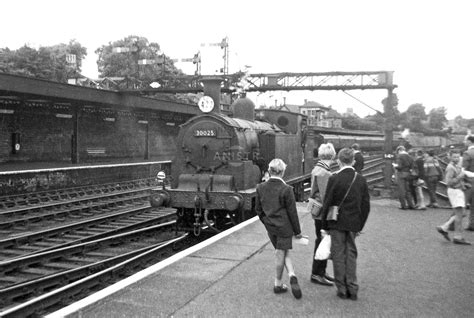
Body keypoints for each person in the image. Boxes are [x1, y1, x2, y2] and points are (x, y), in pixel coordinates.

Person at [321, 148, 370, 301]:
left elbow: (327, 202)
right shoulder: (361, 179)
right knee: (351, 254)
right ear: (354, 162)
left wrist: (324, 225)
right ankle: (353, 288)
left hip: (336, 223)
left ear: (338, 161)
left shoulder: (334, 178)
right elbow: (366, 206)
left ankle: (341, 288)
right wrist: (360, 225)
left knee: (338, 255)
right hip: (353, 224)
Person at [256, 158, 303, 299]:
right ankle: (278, 284)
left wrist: (266, 221)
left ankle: (291, 275)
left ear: (269, 171)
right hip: (285, 228)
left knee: (282, 251)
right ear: (282, 172)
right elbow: (292, 213)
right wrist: (298, 232)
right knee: (281, 253)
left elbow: (258, 210)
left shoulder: (260, 187)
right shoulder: (287, 189)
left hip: (271, 228)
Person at [309, 143, 336, 286]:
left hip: (317, 211)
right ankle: (317, 273)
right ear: (332, 155)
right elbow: (327, 196)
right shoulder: (325, 173)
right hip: (323, 213)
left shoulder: (317, 169)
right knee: (323, 241)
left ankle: (321, 271)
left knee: (321, 240)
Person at [436, 150, 471, 245]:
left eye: (458, 157)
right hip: (455, 192)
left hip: (458, 191)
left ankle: (444, 227)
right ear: (450, 157)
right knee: (459, 214)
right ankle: (458, 236)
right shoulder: (450, 168)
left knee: (462, 213)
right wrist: (460, 177)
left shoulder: (457, 166)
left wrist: (464, 184)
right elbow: (448, 182)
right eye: (454, 157)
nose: (456, 158)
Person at [394, 146, 416, 210]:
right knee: (408, 190)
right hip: (408, 174)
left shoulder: (399, 156)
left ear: (399, 150)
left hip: (401, 174)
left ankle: (403, 205)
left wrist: (395, 166)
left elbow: (399, 166)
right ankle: (411, 205)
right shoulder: (410, 157)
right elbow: (413, 166)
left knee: (401, 190)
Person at [462, 134, 474, 231]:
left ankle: (451, 224)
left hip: (469, 182)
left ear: (469, 141)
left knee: (461, 203)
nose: (464, 142)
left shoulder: (467, 153)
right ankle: (472, 224)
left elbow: (463, 170)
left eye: (465, 140)